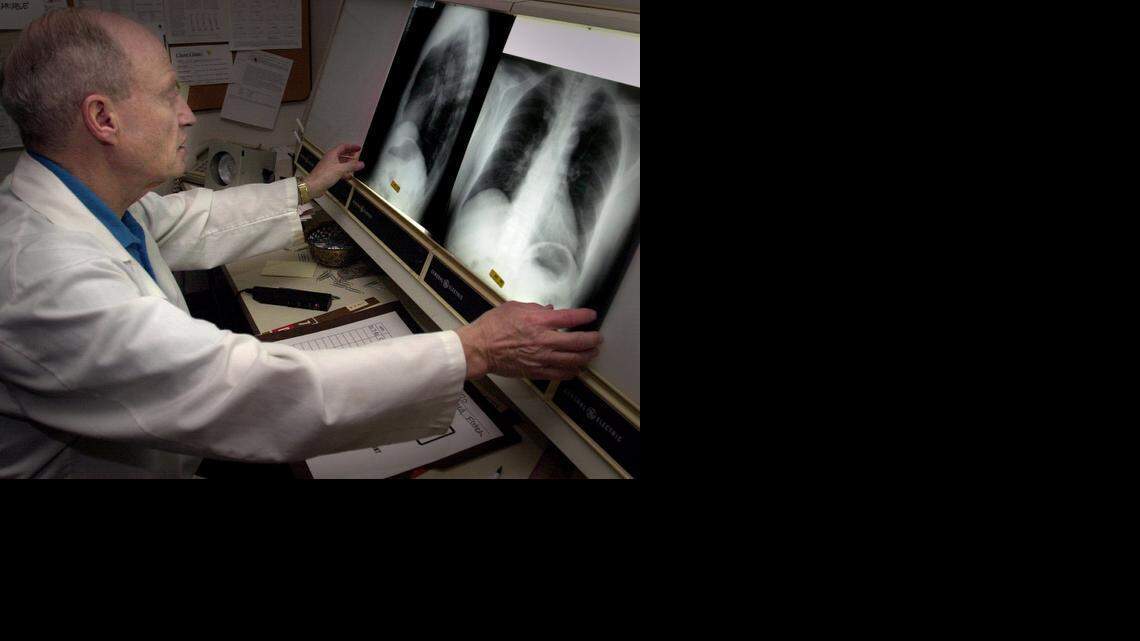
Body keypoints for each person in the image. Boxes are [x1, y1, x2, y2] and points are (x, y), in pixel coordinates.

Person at [0, 8, 602, 478]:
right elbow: (242, 391)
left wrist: (304, 189)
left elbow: (183, 219)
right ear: (103, 119)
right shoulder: (42, 276)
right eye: (168, 94)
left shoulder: (86, 208)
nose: (186, 114)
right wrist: (475, 351)